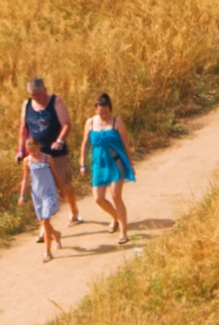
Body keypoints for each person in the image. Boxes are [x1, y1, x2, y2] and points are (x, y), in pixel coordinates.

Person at [18, 77, 84, 224]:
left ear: (45, 90)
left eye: (40, 94)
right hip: (36, 155)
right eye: (33, 96)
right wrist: (20, 149)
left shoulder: (56, 102)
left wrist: (60, 140)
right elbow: (23, 128)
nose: (37, 98)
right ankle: (45, 227)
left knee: (65, 184)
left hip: (56, 153)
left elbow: (66, 124)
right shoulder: (27, 105)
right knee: (41, 190)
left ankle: (74, 210)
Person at [85, 93, 137, 241]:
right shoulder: (90, 123)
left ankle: (123, 232)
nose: (104, 115)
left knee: (116, 196)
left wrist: (131, 164)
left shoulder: (117, 122)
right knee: (98, 199)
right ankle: (115, 217)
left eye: (107, 112)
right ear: (95, 110)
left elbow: (125, 145)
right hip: (98, 165)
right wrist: (83, 163)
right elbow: (85, 143)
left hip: (115, 163)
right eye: (101, 113)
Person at [19, 135, 63, 260]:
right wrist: (22, 195)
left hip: (48, 193)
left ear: (39, 147)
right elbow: (25, 178)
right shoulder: (27, 161)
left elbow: (56, 175)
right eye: (29, 150)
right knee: (43, 222)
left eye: (34, 149)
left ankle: (47, 252)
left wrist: (62, 189)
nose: (32, 152)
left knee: (45, 220)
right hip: (36, 194)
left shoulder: (47, 158)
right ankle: (56, 234)